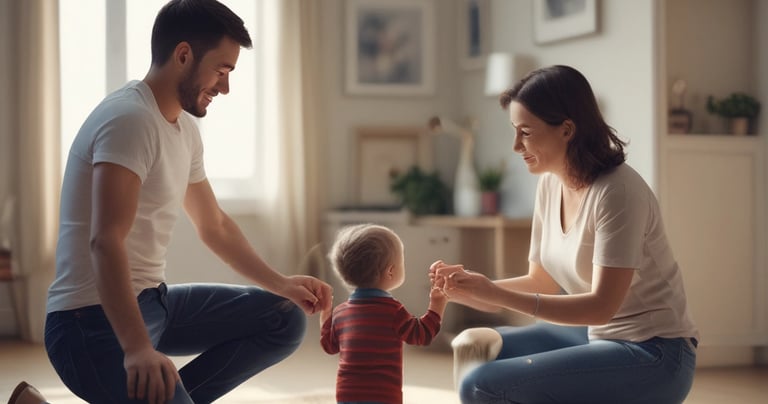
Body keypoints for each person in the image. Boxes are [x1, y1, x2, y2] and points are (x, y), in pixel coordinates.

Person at [43, 1, 332, 403]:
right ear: (183, 55)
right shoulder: (129, 120)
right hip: (87, 322)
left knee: (282, 318)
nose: (225, 87)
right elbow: (105, 241)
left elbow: (213, 225)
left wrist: (281, 284)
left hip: (153, 301)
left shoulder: (182, 129)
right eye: (222, 70)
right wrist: (138, 348)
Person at [431, 65, 699, 403]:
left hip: (655, 353)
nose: (516, 145)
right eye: (515, 131)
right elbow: (540, 282)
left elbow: (601, 307)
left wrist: (495, 295)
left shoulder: (618, 192)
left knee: (483, 384)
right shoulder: (549, 183)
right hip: (595, 336)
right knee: (478, 347)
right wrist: (471, 288)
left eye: (525, 132)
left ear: (567, 129)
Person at [320, 223, 448, 404]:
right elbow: (422, 335)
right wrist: (438, 302)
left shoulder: (340, 313)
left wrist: (326, 312)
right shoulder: (393, 312)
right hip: (384, 396)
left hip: (347, 395)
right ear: (391, 272)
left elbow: (329, 346)